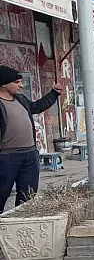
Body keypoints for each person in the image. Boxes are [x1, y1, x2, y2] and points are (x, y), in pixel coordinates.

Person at [0, 65, 62, 208]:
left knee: (28, 195)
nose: (21, 85)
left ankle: (23, 225)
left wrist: (54, 93)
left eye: (21, 82)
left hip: (29, 155)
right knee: (2, 193)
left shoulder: (21, 99)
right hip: (6, 157)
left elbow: (37, 107)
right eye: (17, 82)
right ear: (3, 84)